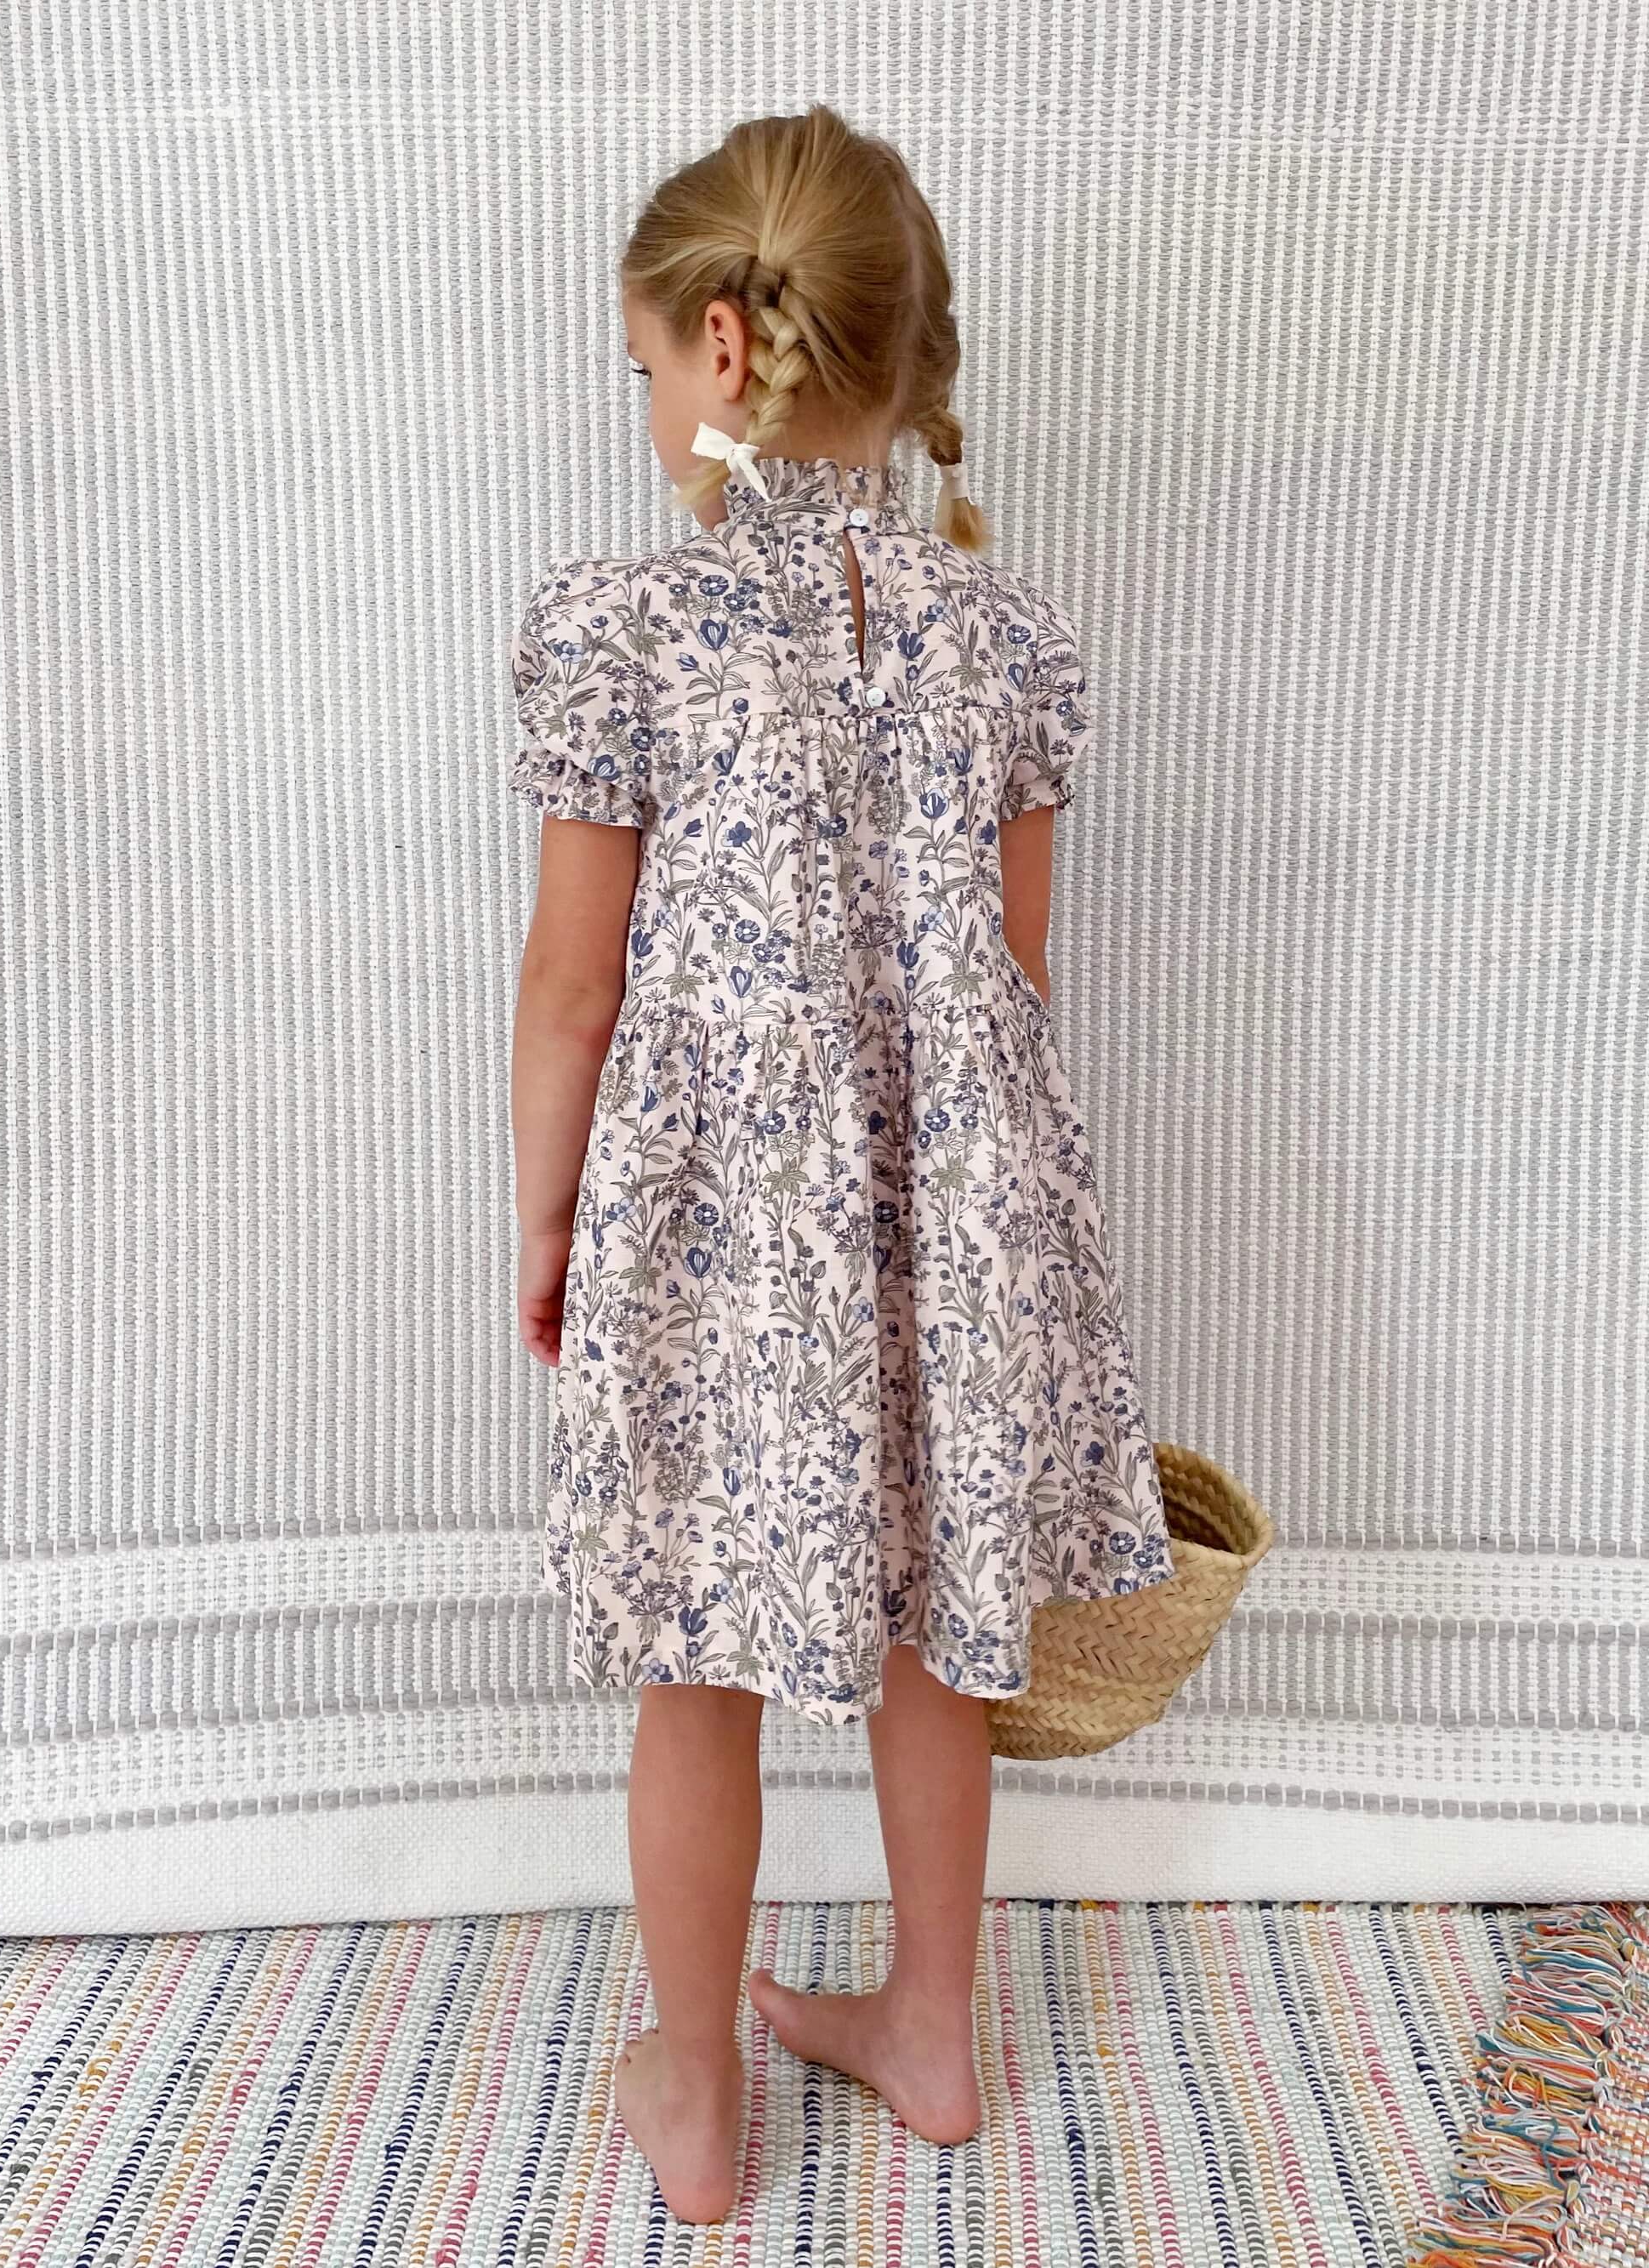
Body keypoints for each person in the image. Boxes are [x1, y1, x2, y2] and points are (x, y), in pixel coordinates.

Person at [508, 101, 1178, 2225]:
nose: (646, 401)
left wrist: (549, 1211)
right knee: (933, 1619)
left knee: (695, 1641)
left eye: (642, 363)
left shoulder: (626, 622)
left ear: (720, 344)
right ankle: (934, 2028)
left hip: (715, 1227)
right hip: (952, 1222)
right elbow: (1017, 974)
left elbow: (572, 989)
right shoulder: (1009, 634)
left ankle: (695, 2086)